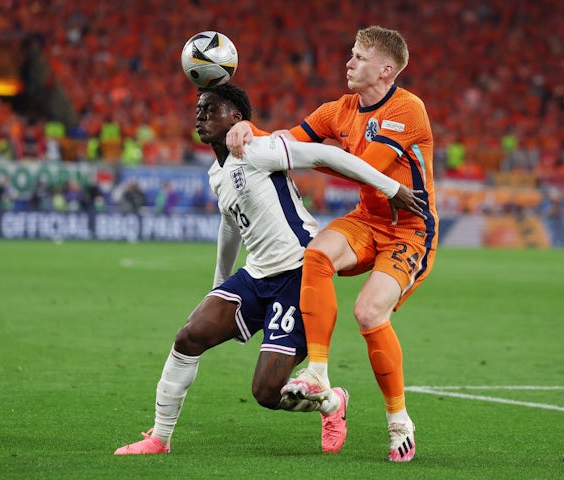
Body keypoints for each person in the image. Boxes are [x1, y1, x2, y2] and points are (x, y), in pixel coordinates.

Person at [114, 83, 426, 455]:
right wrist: (219, 285)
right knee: (188, 337)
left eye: (211, 108)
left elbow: (326, 157)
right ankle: (159, 439)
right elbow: (230, 225)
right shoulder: (217, 173)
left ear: (236, 119)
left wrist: (389, 186)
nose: (200, 115)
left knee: (266, 392)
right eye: (198, 108)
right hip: (257, 274)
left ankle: (332, 403)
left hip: (298, 275)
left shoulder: (258, 150)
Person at [226, 26, 438, 462]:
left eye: (359, 57)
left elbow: (361, 168)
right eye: (351, 54)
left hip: (410, 229)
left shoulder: (407, 109)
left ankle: (398, 418)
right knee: (316, 254)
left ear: (386, 69)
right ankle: (318, 373)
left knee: (368, 312)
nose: (348, 62)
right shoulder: (337, 111)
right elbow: (285, 141)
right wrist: (249, 128)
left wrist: (301, 155)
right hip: (368, 219)